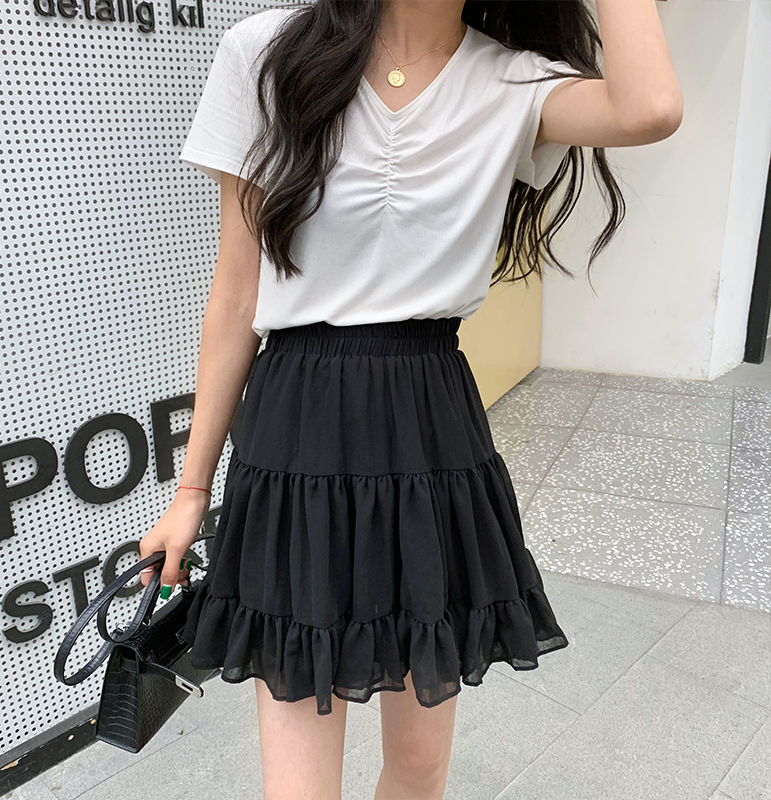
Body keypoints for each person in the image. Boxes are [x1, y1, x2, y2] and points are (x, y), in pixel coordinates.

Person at [140, 1, 682, 797]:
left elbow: (651, 107)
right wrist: (191, 491)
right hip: (298, 429)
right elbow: (236, 293)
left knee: (420, 767)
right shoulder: (267, 52)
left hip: (432, 427)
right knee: (299, 784)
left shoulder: (513, 81)